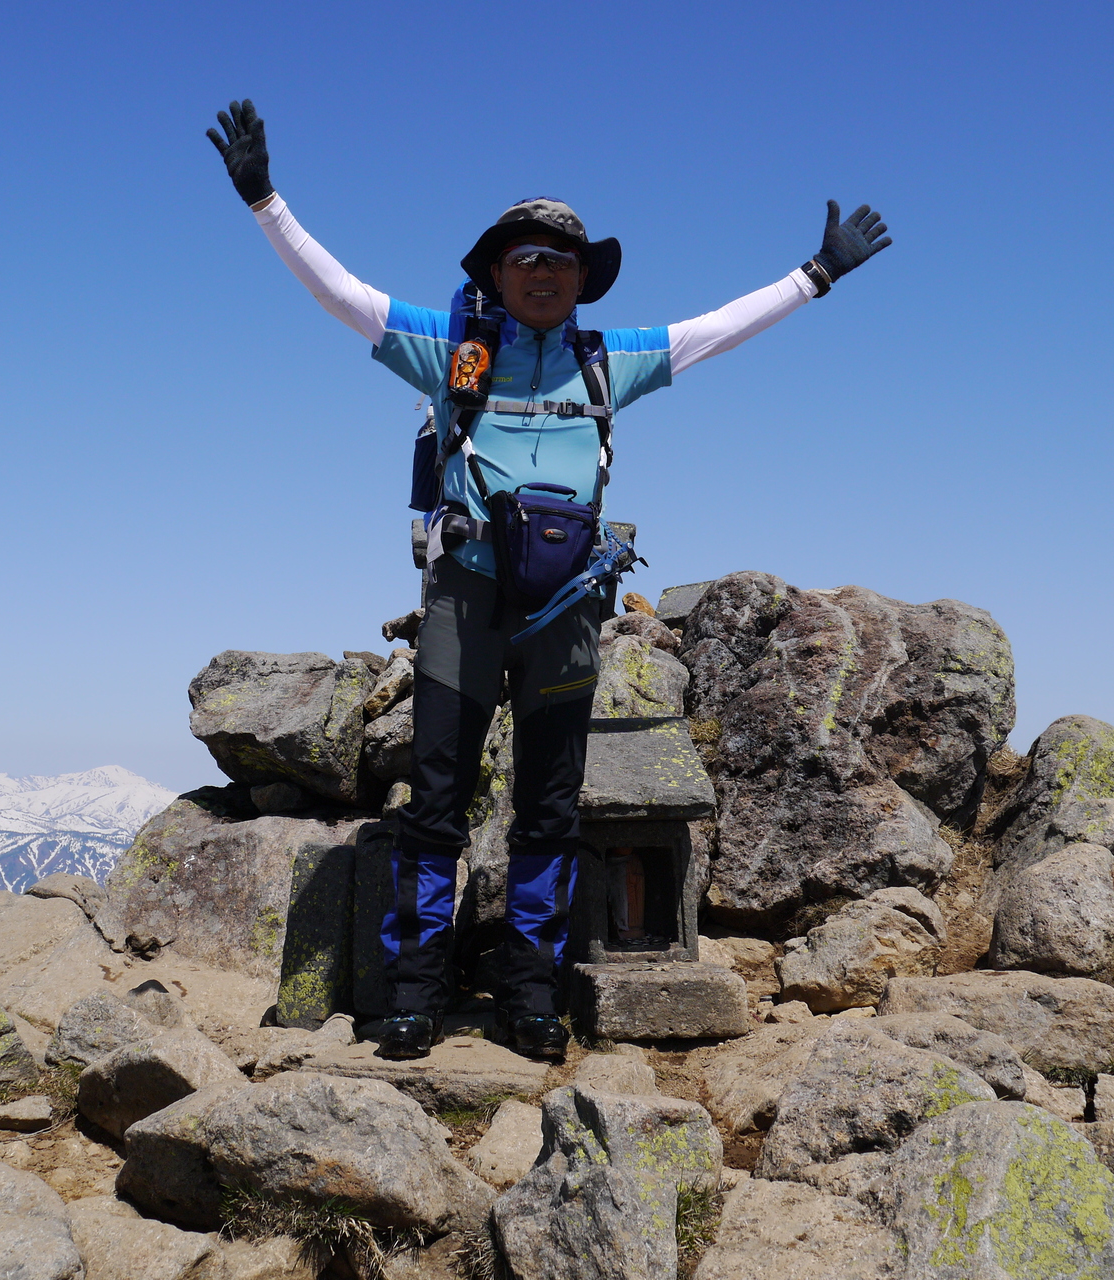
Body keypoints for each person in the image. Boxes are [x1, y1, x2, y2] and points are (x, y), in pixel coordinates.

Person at [207, 99, 893, 1061]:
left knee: (550, 805)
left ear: (584, 281)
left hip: (565, 610)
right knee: (438, 803)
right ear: (494, 271)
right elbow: (340, 293)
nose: (542, 270)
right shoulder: (449, 350)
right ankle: (412, 995)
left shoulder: (609, 362)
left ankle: (529, 996)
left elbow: (720, 328)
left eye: (560, 259)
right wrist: (264, 201)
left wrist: (815, 275)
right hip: (465, 600)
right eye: (524, 256)